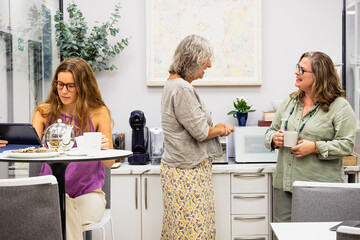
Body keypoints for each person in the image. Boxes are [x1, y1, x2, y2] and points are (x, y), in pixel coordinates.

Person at [265, 51, 355, 222]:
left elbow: (346, 145)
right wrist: (273, 139)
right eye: (297, 67)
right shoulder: (289, 101)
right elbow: (270, 131)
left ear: (319, 76)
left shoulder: (340, 107)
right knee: (283, 234)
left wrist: (315, 147)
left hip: (319, 189)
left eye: (302, 69)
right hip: (284, 185)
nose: (296, 72)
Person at [160, 34, 234, 239]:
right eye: (205, 61)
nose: (209, 65)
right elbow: (201, 132)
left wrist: (215, 127)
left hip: (182, 169)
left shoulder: (172, 84)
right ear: (192, 61)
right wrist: (221, 129)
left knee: (180, 230)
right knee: (194, 233)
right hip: (187, 172)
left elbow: (194, 126)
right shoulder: (182, 88)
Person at [32, 58, 114, 240]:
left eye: (70, 86)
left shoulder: (99, 113)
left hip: (89, 195)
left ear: (84, 86)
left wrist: (105, 149)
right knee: (64, 205)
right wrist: (12, 142)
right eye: (60, 84)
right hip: (50, 190)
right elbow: (30, 150)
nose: (63, 91)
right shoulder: (43, 112)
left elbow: (110, 163)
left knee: (61, 213)